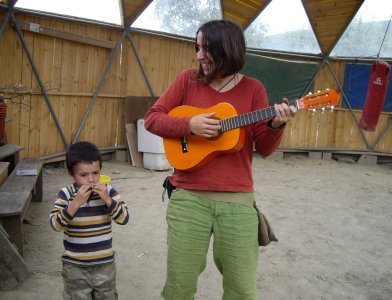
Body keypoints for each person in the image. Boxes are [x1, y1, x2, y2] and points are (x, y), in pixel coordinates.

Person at [144, 20, 297, 300]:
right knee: (179, 287)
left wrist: (276, 125)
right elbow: (153, 119)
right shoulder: (187, 80)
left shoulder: (254, 89)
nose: (199, 55)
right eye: (198, 47)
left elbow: (264, 148)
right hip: (188, 198)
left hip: (238, 203)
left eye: (207, 48)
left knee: (242, 290)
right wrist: (189, 125)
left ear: (228, 49)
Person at [50, 141, 129, 300]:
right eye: (83, 175)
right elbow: (55, 224)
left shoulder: (109, 191)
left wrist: (107, 199)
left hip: (105, 264)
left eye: (96, 173)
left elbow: (124, 218)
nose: (91, 180)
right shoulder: (66, 194)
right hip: (75, 266)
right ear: (71, 174)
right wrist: (75, 203)